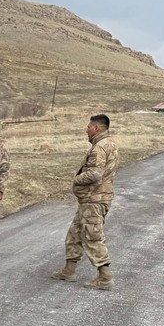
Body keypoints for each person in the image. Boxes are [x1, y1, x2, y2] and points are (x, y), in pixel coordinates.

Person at [52, 114, 119, 290]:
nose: (86, 130)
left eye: (89, 127)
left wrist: (76, 179)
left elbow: (95, 174)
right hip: (92, 199)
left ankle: (105, 277)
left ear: (97, 128)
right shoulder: (109, 143)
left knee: (93, 236)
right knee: (75, 233)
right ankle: (69, 270)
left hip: (94, 199)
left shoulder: (100, 147)